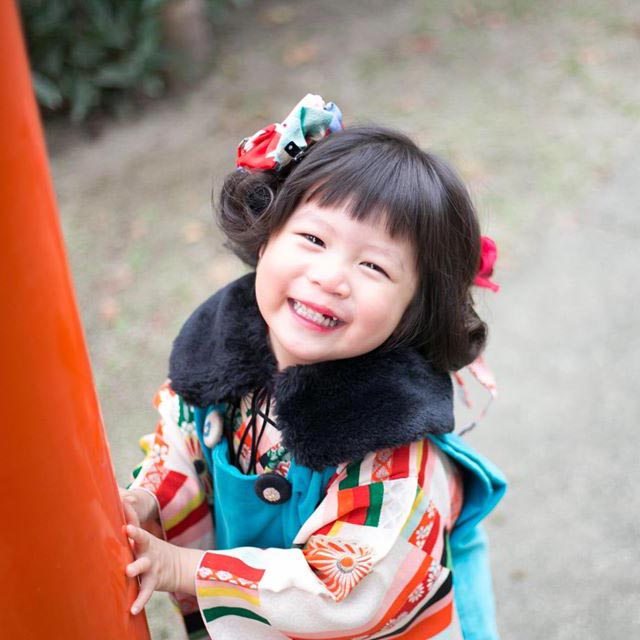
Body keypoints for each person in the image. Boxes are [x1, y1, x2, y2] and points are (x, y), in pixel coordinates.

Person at [120, 94, 506, 640]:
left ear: (412, 310)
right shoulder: (219, 358)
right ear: (267, 236)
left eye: (373, 265)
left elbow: (352, 589)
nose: (330, 277)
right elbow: (181, 447)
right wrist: (146, 501)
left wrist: (188, 569)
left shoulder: (393, 445)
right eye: (313, 238)